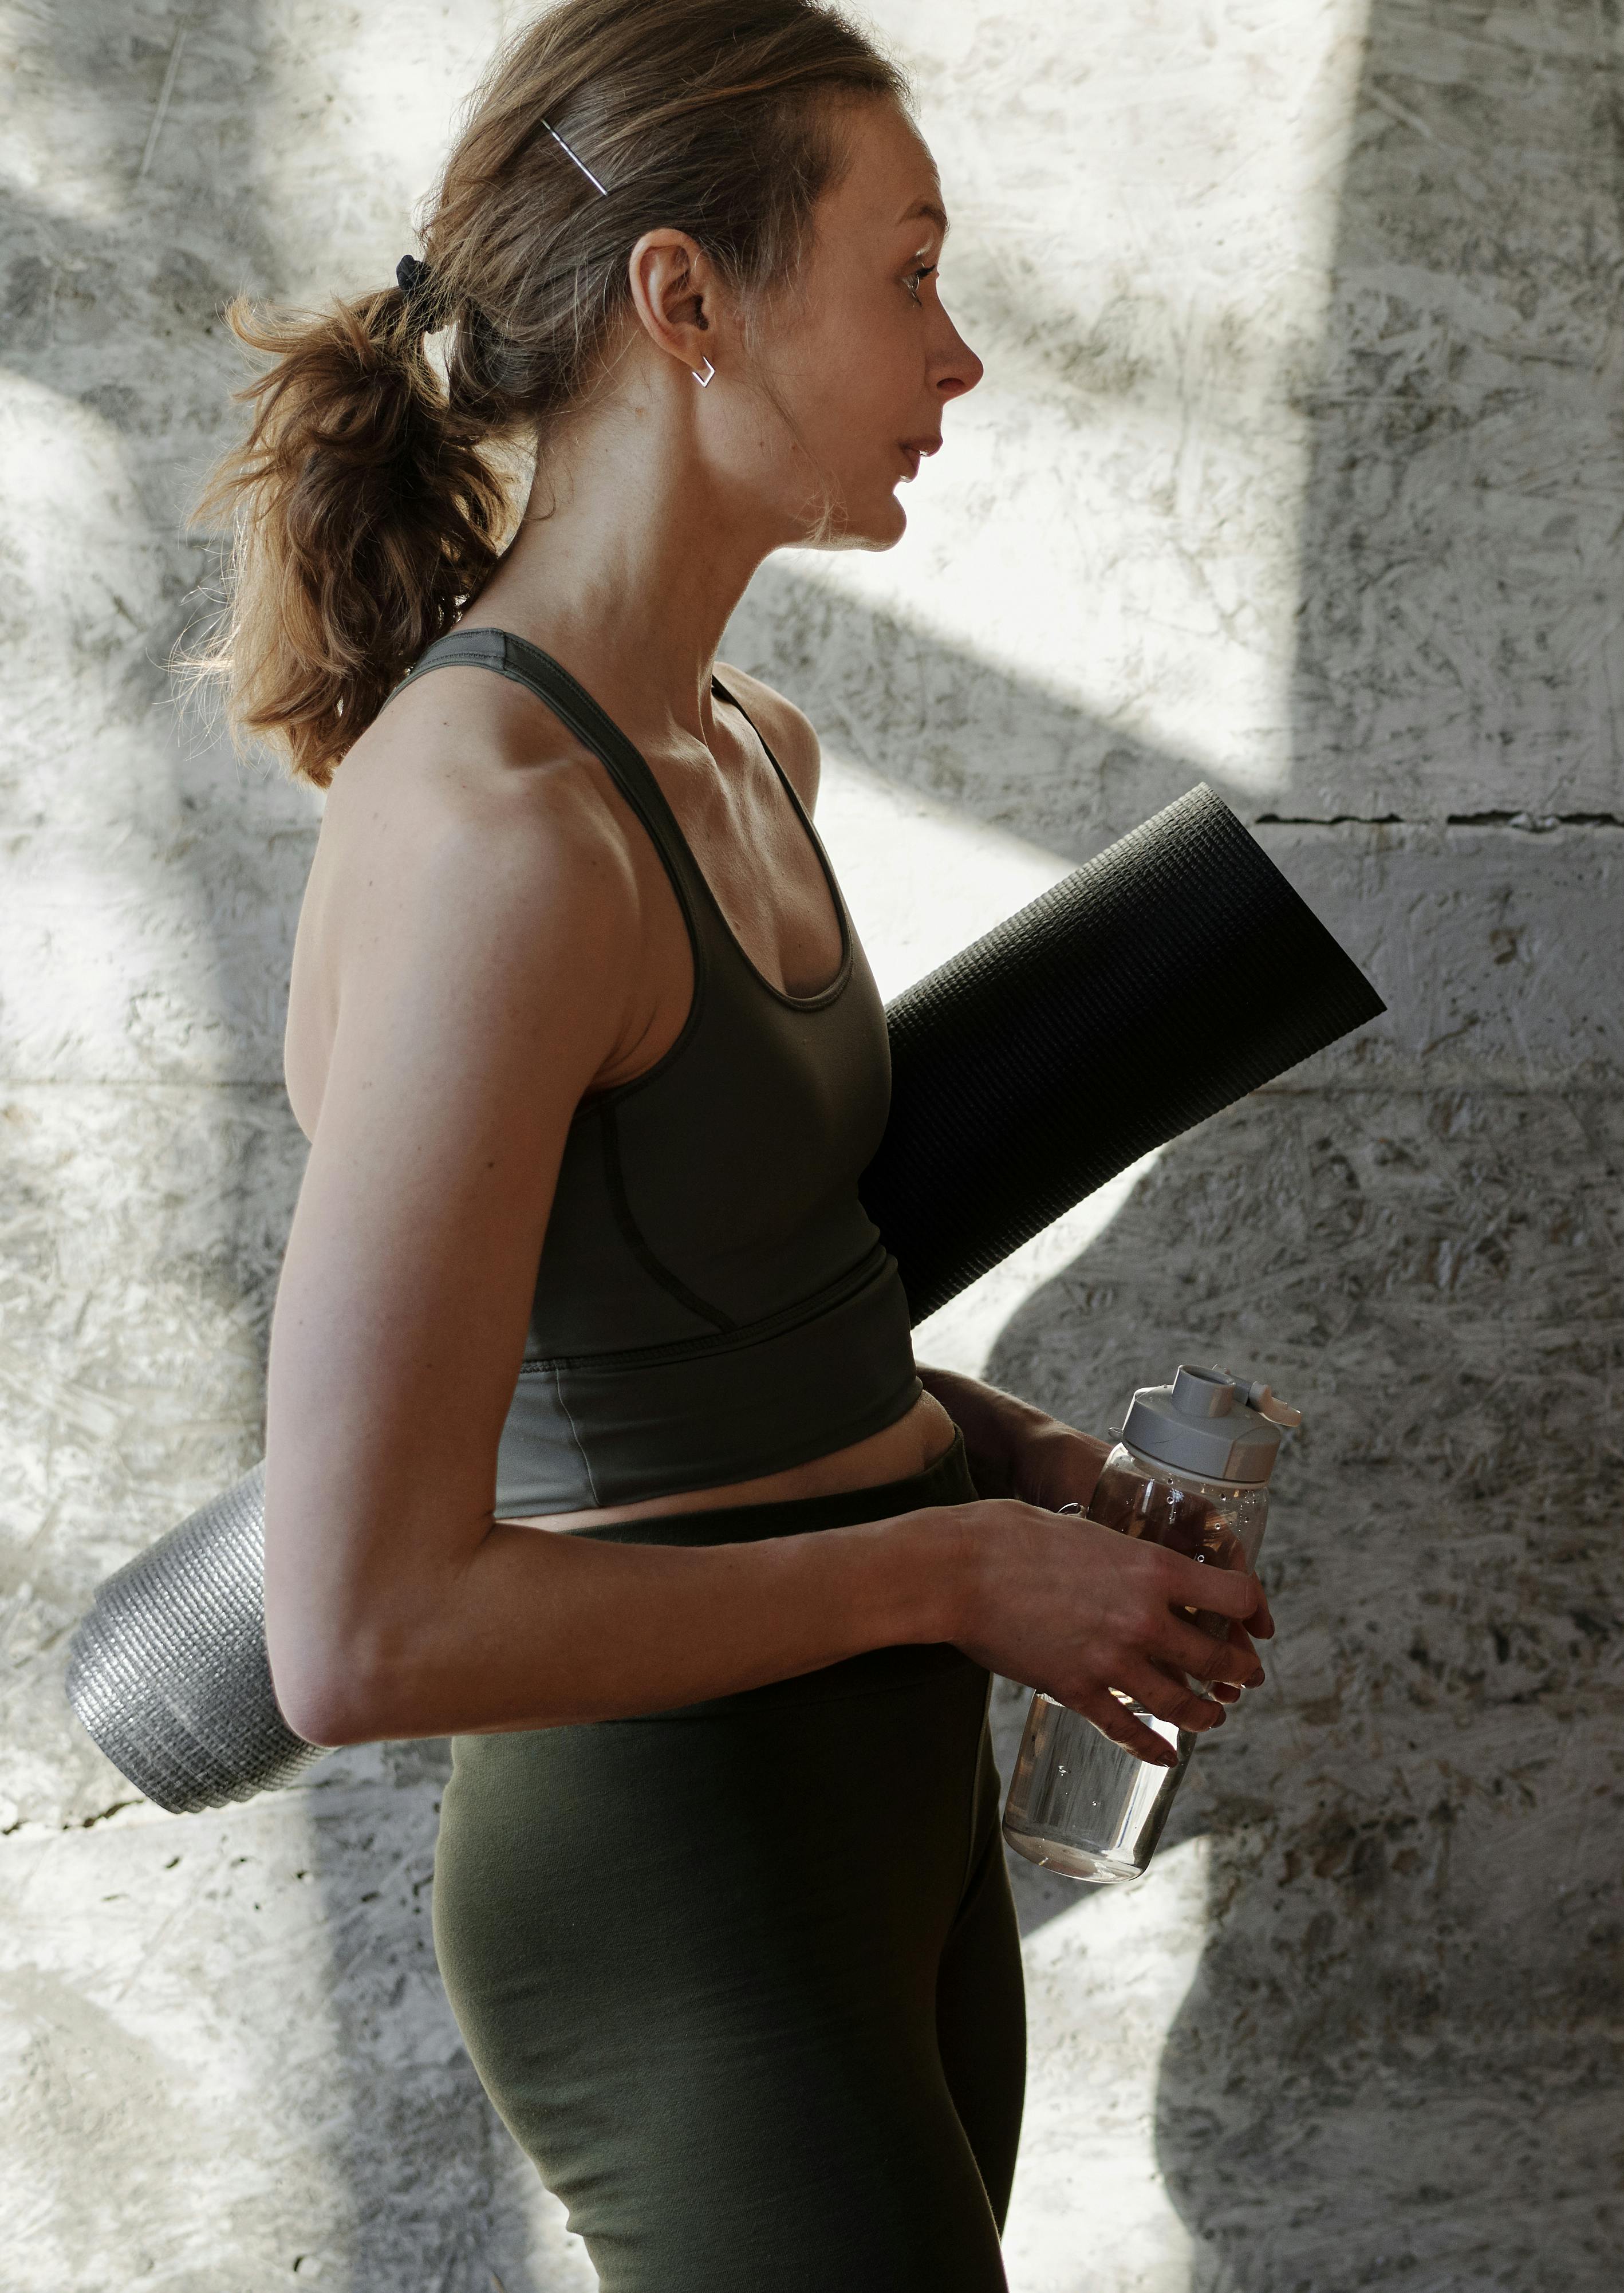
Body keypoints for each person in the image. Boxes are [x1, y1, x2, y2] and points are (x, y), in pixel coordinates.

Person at [197, 5, 1270, 2285]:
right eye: (906, 273)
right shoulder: (498, 835)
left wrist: (1006, 1455)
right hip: (681, 1871)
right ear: (686, 302)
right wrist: (961, 1568)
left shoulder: (741, 745)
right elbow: (360, 1629)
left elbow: (721, 1322)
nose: (961, 355)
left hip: (885, 1817)